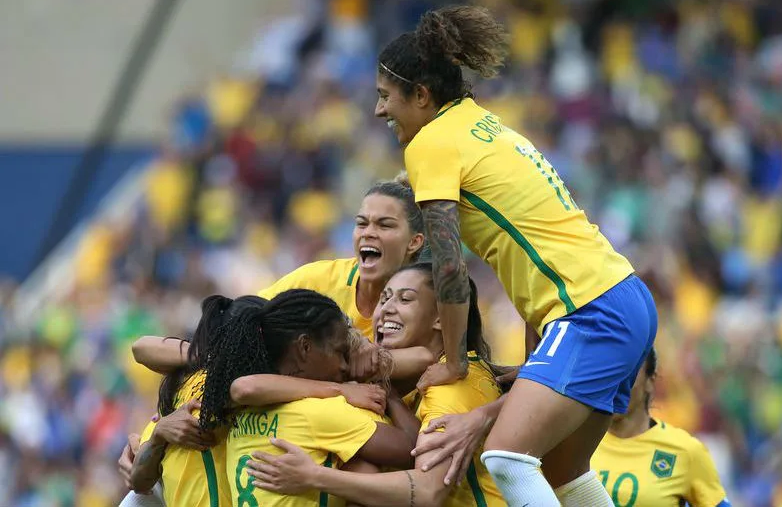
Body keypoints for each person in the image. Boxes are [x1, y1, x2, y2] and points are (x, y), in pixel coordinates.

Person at [374, 5, 658, 506]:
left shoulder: (430, 145)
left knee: (506, 458)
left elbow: (448, 265)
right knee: (564, 473)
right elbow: (522, 240)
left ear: (421, 95)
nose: (379, 111)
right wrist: (535, 365)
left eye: (384, 97)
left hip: (589, 310)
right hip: (621, 297)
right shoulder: (480, 123)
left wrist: (457, 361)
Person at [244, 263, 505, 506]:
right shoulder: (401, 384)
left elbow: (428, 491)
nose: (386, 309)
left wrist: (314, 476)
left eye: (405, 299)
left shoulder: (454, 384)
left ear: (441, 318)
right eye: (384, 298)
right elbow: (244, 388)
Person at [131, 178, 431, 382]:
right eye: (361, 223)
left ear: (415, 242)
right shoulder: (316, 280)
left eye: (385, 225)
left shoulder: (432, 299)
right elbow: (241, 325)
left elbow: (427, 358)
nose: (368, 232)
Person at [198, 289, 418, 506]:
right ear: (304, 347)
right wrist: (390, 394)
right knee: (363, 467)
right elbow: (413, 450)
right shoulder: (321, 411)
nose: (344, 365)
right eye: (340, 352)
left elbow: (243, 387)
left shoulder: (239, 411)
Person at [127, 296, 264, 507]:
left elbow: (137, 480)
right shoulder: (227, 387)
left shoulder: (180, 390)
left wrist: (157, 435)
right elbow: (140, 347)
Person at [591, 349, 731, 507]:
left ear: (650, 381)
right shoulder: (577, 443)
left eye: (627, 373)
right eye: (609, 374)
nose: (616, 385)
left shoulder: (686, 451)